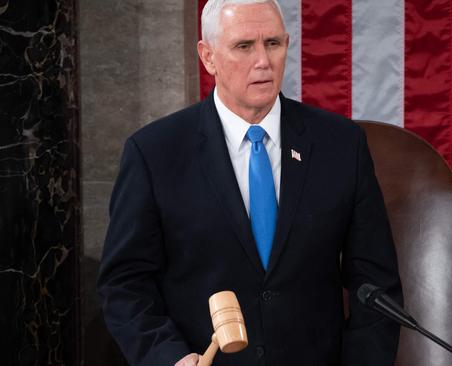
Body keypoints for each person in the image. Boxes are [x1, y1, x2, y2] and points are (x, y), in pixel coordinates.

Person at [97, 0, 403, 365]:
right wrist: (167, 358)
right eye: (244, 46)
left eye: (273, 43)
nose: (263, 61)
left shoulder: (340, 145)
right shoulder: (154, 153)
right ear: (208, 57)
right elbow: (125, 284)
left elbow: (377, 285)